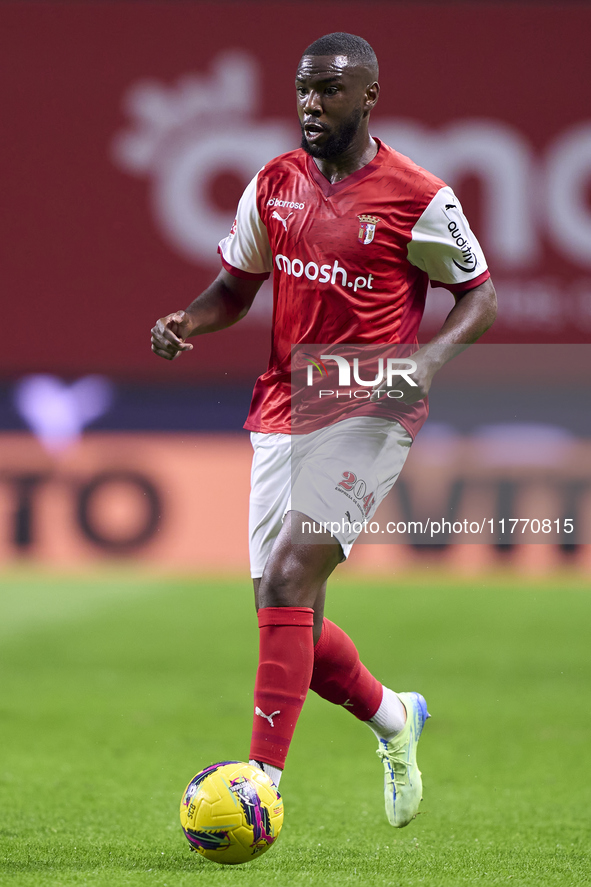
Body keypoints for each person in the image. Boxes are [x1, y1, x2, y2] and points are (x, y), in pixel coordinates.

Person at [151, 32, 496, 828]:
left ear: (368, 95)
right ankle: (393, 716)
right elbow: (234, 288)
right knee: (289, 619)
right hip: (282, 403)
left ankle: (260, 781)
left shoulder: (417, 194)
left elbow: (479, 295)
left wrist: (431, 360)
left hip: (369, 406)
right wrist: (187, 321)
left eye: (329, 90)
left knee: (287, 579)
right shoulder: (272, 182)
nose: (311, 104)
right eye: (304, 90)